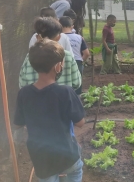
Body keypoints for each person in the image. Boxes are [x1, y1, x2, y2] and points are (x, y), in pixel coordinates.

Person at [14, 40, 85, 182]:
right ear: (58, 67)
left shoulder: (24, 93)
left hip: (41, 158)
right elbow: (80, 123)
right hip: (67, 155)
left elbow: (18, 124)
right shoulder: (66, 92)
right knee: (75, 172)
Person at [20, 17, 81, 90]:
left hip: (36, 99)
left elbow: (22, 84)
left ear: (38, 37)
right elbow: (76, 83)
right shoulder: (67, 55)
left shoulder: (30, 56)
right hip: (62, 99)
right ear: (58, 37)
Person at [59, 16, 90, 95]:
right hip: (77, 62)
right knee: (77, 82)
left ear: (59, 25)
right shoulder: (79, 38)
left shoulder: (58, 37)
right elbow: (86, 53)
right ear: (72, 26)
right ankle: (77, 100)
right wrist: (81, 62)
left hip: (62, 63)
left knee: (63, 82)